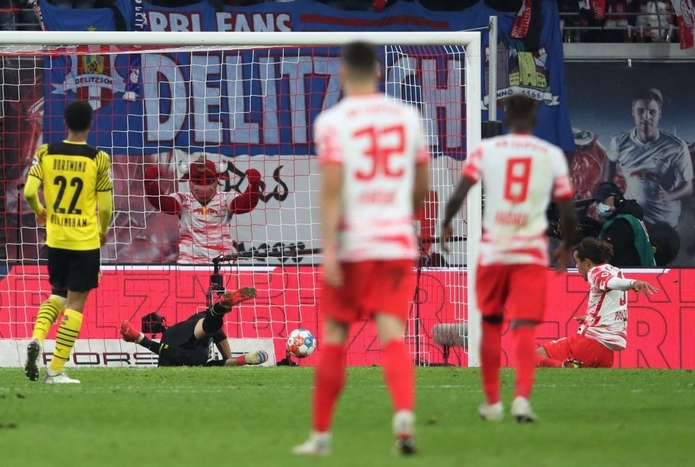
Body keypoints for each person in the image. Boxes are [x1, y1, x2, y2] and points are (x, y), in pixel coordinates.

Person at [293, 41, 429, 456]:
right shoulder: (407, 117)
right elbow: (423, 186)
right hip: (395, 244)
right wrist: (398, 214)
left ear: (340, 73)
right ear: (377, 71)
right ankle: (403, 419)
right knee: (393, 335)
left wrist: (329, 249)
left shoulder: (333, 121)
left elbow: (332, 188)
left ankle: (320, 437)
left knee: (335, 337)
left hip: (353, 245)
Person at [440, 94, 577, 423]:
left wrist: (445, 224)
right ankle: (521, 401)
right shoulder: (551, 155)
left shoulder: (486, 150)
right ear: (536, 118)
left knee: (489, 323)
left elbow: (460, 191)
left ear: (503, 116)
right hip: (529, 252)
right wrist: (567, 245)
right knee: (524, 326)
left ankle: (492, 402)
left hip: (494, 250)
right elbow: (567, 210)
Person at [23, 100, 113, 384]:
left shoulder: (45, 152)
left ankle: (37, 338)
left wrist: (40, 211)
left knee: (58, 294)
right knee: (75, 304)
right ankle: (56, 370)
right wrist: (103, 229)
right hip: (84, 241)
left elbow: (28, 192)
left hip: (56, 238)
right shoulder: (98, 158)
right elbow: (106, 207)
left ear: (65, 123)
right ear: (89, 124)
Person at [537, 237, 658, 368]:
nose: (576, 266)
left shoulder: (595, 272)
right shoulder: (615, 271)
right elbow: (613, 303)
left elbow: (610, 282)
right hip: (607, 353)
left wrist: (633, 283)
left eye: (577, 262)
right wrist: (591, 317)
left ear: (587, 262)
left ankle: (565, 367)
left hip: (589, 344)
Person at [144, 154, 262, 264]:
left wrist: (253, 187)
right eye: (197, 182)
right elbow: (165, 204)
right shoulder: (183, 199)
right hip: (189, 261)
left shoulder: (226, 198)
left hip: (222, 261)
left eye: (209, 182)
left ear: (217, 180)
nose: (203, 187)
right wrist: (151, 186)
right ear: (189, 182)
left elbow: (244, 205)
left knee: (225, 287)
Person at [603, 88, 693, 228]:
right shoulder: (620, 142)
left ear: (659, 114)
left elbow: (688, 187)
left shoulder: (677, 147)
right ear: (633, 111)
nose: (646, 116)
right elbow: (609, 159)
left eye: (652, 112)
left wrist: (670, 195)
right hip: (632, 216)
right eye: (641, 111)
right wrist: (607, 186)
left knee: (656, 250)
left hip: (663, 222)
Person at [119, 287, 269, 367]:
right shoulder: (205, 325)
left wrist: (229, 361)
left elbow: (215, 331)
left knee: (203, 350)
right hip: (187, 350)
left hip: (178, 340)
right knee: (203, 356)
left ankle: (244, 359)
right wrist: (228, 360)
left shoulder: (194, 321)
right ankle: (220, 308)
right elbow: (217, 333)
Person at [593, 181, 656, 267]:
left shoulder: (623, 222)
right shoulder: (628, 215)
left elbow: (605, 250)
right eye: (597, 201)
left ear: (616, 200)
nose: (599, 205)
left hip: (635, 273)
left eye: (603, 201)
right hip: (640, 271)